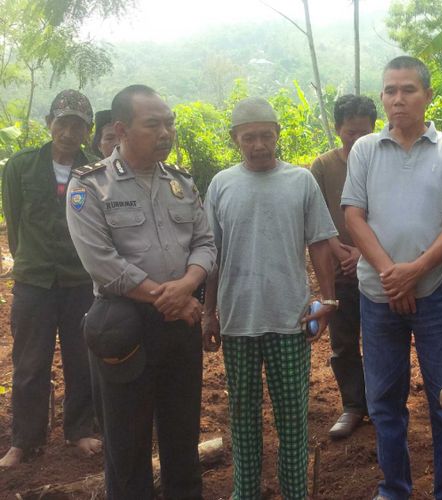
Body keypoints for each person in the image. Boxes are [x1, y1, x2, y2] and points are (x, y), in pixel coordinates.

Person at [66, 84, 216, 499]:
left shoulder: (182, 183)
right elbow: (102, 263)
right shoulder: (90, 187)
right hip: (124, 327)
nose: (166, 132)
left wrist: (187, 286)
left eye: (169, 123)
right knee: (126, 446)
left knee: (182, 437)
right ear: (122, 128)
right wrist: (168, 298)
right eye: (153, 124)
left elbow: (205, 243)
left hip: (180, 323)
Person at [341, 56, 442, 500]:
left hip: (435, 291)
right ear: (383, 96)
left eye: (408, 90)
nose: (398, 99)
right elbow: (354, 215)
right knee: (383, 399)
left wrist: (415, 271)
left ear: (428, 95)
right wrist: (389, 273)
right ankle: (394, 488)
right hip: (376, 295)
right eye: (390, 91)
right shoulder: (364, 150)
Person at [202, 97, 338, 500]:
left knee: (293, 416)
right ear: (235, 139)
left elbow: (319, 245)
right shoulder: (221, 184)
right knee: (242, 416)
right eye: (249, 137)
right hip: (238, 318)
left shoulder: (300, 181)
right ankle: (245, 493)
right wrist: (209, 312)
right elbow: (212, 255)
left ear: (278, 134)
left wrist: (327, 302)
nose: (259, 144)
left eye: (266, 135)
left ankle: (295, 493)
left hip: (289, 318)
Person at [0, 90, 101, 468]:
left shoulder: (95, 171)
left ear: (87, 131)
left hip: (80, 282)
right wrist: (32, 260)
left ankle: (79, 431)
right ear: (49, 124)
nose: (69, 132)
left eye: (78, 125)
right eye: (63, 123)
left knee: (82, 358)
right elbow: (15, 220)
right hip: (34, 282)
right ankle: (24, 441)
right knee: (28, 363)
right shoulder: (21, 166)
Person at [310, 94, 376, 439]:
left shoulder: (384, 161)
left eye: (363, 132)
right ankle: (353, 405)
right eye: (350, 132)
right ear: (338, 130)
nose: (357, 139)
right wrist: (341, 252)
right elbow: (318, 218)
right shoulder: (323, 166)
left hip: (379, 268)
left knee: (381, 340)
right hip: (340, 271)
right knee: (344, 342)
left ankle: (380, 404)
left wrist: (364, 255)